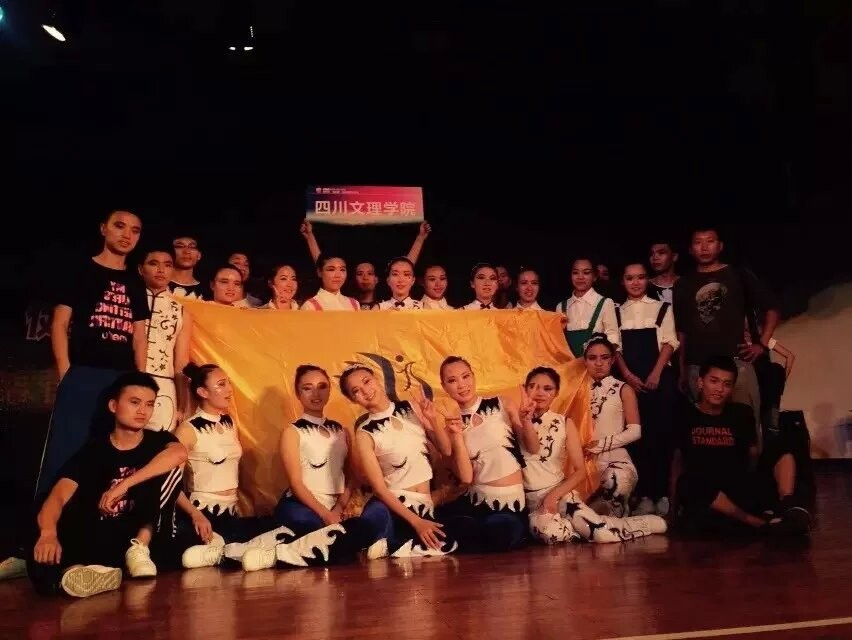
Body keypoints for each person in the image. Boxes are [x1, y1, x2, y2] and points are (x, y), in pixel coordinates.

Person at [28, 372, 188, 598]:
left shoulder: (159, 441)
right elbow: (58, 496)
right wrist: (47, 534)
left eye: (149, 404)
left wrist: (124, 485)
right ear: (113, 406)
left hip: (145, 535)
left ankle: (136, 550)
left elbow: (179, 454)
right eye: (134, 402)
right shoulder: (94, 451)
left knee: (163, 467)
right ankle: (78, 574)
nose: (143, 411)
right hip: (104, 533)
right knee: (42, 555)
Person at [37, 210, 151, 498]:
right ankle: (51, 515)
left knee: (111, 450)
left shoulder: (135, 281)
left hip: (122, 378)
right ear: (103, 229)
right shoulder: (79, 271)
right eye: (119, 226)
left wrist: (140, 380)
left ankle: (99, 512)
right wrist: (66, 372)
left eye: (135, 230)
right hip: (83, 372)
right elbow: (60, 324)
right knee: (68, 446)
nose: (127, 235)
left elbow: (139, 336)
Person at [238, 366, 375, 570]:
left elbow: (351, 476)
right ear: (298, 394)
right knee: (321, 533)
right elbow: (296, 482)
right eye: (307, 388)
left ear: (329, 390)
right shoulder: (292, 432)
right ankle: (260, 552)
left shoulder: (342, 431)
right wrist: (326, 515)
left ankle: (276, 554)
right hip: (301, 506)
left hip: (334, 507)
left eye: (322, 387)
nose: (316, 394)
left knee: (358, 532)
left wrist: (338, 508)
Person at [668, 356, 812, 537]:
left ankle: (787, 506)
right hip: (707, 495)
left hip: (738, 486)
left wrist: (754, 480)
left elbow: (752, 455)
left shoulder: (741, 413)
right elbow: (677, 463)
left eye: (727, 384)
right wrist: (672, 512)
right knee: (691, 482)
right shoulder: (685, 414)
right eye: (714, 381)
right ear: (700, 383)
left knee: (786, 439)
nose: (720, 389)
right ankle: (760, 524)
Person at [340, 365, 466, 558]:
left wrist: (432, 419)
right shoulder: (364, 433)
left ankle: (390, 541)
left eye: (367, 381)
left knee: (450, 539)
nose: (365, 391)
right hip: (393, 505)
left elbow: (446, 450)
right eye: (356, 390)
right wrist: (416, 522)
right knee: (373, 521)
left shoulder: (411, 407)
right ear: (352, 399)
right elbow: (380, 489)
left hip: (423, 503)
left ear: (377, 379)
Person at [172, 364, 280, 569]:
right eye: (221, 385)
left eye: (228, 383)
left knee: (278, 529)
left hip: (230, 513)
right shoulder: (187, 430)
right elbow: (171, 485)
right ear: (203, 392)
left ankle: (224, 550)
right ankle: (222, 549)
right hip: (203, 513)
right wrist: (196, 515)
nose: (230, 389)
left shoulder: (229, 422)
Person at [673, 227, 780, 435]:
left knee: (745, 428)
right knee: (705, 431)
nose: (704, 247)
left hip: (737, 361)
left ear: (720, 246)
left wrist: (762, 344)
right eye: (698, 242)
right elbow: (682, 331)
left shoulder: (737, 275)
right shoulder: (682, 284)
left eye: (710, 241)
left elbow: (772, 309)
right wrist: (682, 368)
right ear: (690, 249)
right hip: (698, 365)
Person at [437, 356, 538, 552]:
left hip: (510, 504)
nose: (461, 385)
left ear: (473, 376)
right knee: (441, 523)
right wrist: (456, 435)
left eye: (465, 376)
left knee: (498, 531)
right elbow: (465, 478)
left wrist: (527, 421)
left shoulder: (502, 404)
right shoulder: (451, 426)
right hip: (475, 502)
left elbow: (533, 448)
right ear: (444, 387)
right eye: (452, 380)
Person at [615, 262, 678, 516]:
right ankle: (641, 495)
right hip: (631, 383)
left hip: (659, 380)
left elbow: (669, 342)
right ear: (623, 281)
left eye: (640, 277)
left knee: (661, 436)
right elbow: (615, 348)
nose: (635, 283)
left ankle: (661, 494)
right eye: (630, 278)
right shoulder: (616, 312)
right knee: (636, 438)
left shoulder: (662, 308)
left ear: (647, 280)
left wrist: (656, 373)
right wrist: (628, 376)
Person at [583, 335, 640, 518]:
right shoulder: (577, 390)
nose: (599, 363)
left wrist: (600, 445)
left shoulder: (623, 388)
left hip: (615, 459)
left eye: (604, 357)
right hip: (582, 461)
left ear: (613, 360)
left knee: (615, 481)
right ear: (585, 361)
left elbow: (635, 431)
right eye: (592, 358)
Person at [137, 246, 193, 432]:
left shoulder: (181, 310)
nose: (161, 270)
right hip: (128, 381)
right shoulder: (128, 300)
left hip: (164, 387)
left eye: (167, 265)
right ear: (141, 269)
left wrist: (182, 405)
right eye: (154, 264)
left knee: (161, 444)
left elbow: (181, 362)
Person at [556, 258, 620, 358]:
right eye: (575, 272)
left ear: (594, 277)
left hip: (597, 365)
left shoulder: (605, 303)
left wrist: (602, 359)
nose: (580, 277)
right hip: (569, 365)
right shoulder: (561, 307)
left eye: (586, 272)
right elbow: (558, 342)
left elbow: (613, 337)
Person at [169, 234, 205, 299]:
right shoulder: (160, 284)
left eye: (192, 247)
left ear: (199, 255)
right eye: (180, 246)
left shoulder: (207, 291)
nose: (187, 251)